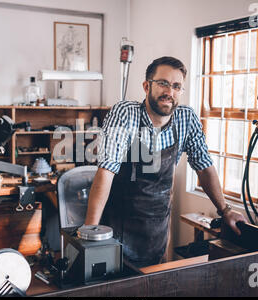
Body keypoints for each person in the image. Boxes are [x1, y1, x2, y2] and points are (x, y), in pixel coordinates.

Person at [84, 56, 245, 268]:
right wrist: (89, 235)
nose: (169, 92)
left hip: (156, 234)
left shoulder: (186, 119)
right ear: (146, 86)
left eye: (176, 86)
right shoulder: (125, 113)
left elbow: (204, 167)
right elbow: (105, 172)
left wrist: (225, 210)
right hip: (116, 230)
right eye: (163, 83)